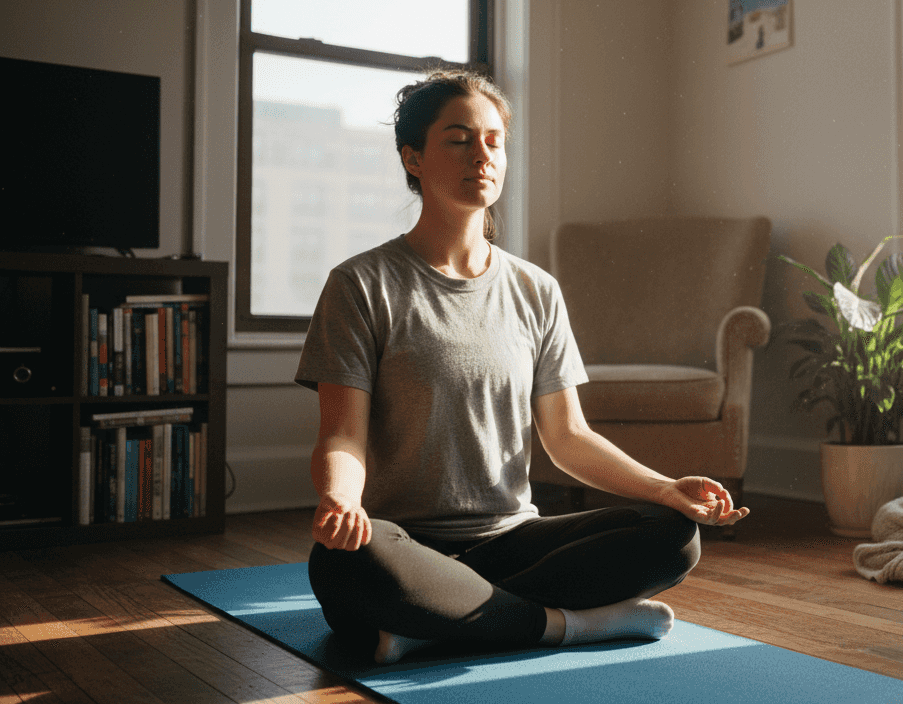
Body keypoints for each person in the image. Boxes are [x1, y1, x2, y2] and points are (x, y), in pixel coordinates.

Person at [295, 69, 748, 665]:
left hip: (514, 541)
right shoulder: (360, 284)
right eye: (458, 139)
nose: (481, 155)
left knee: (674, 538)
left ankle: (438, 623)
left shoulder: (536, 290)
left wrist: (667, 488)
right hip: (406, 542)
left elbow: (568, 438)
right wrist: (340, 501)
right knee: (346, 560)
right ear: (414, 157)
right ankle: (571, 626)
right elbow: (342, 433)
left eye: (494, 140)